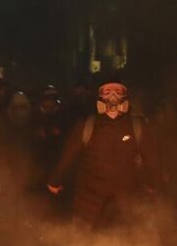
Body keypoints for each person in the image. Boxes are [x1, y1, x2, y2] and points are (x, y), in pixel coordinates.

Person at [47, 79, 156, 226]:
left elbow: (151, 158)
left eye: (118, 92)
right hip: (88, 205)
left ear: (125, 97)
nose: (112, 96)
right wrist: (55, 180)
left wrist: (153, 182)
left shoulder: (137, 127)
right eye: (107, 92)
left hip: (124, 205)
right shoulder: (87, 125)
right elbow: (69, 155)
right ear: (99, 97)